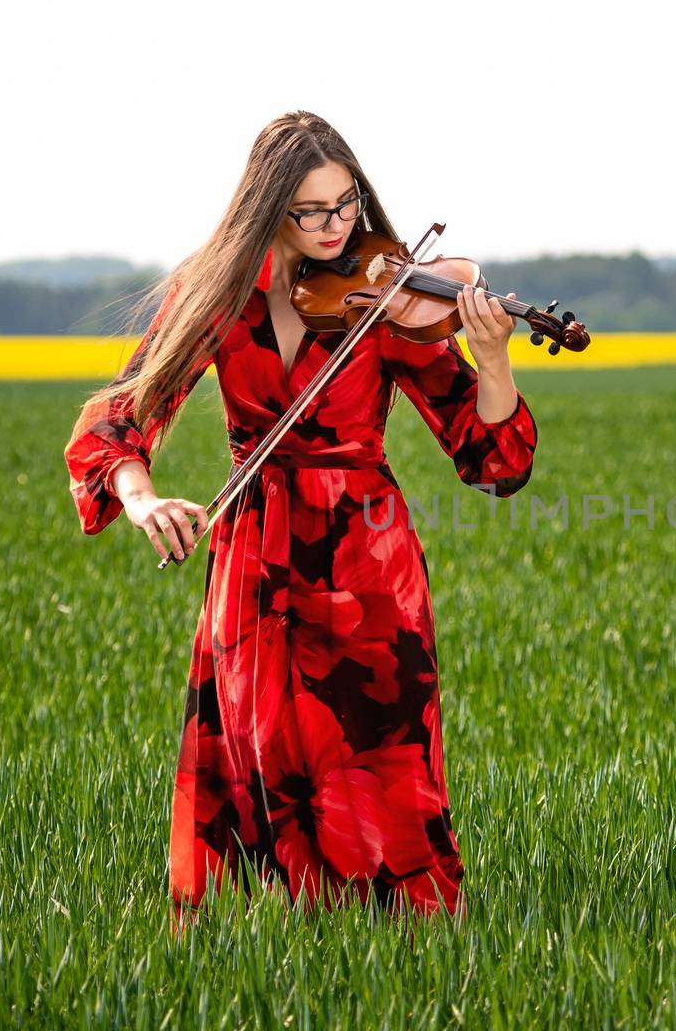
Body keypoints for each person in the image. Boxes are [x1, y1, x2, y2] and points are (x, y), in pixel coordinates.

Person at [62, 111, 537, 930]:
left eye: (346, 205)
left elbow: (492, 457)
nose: (335, 228)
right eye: (311, 212)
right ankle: (262, 946)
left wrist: (492, 361)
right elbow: (122, 413)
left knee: (378, 761)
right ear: (268, 209)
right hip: (252, 554)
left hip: (365, 557)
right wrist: (142, 497)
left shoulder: (387, 294)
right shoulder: (218, 290)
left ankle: (408, 948)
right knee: (255, 751)